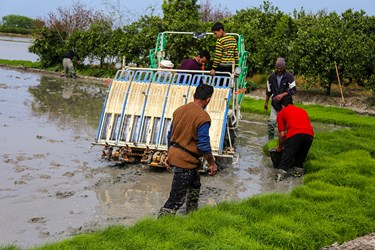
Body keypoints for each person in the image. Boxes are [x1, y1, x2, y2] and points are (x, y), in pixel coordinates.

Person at [158, 84, 217, 217]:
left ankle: (192, 216)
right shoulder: (203, 117)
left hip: (176, 154)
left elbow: (170, 135)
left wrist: (169, 154)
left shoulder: (179, 110)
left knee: (195, 185)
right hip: (186, 160)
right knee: (175, 200)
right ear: (208, 100)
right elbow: (203, 145)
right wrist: (212, 163)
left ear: (193, 95)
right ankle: (160, 226)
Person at [274, 95, 314, 182]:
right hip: (309, 135)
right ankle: (297, 175)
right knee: (300, 159)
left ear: (282, 106)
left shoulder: (281, 113)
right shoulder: (302, 111)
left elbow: (282, 134)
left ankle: (280, 176)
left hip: (295, 134)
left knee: (287, 156)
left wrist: (280, 147)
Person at [264, 57, 296, 140]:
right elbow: (268, 91)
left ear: (284, 67)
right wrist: (266, 102)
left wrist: (282, 95)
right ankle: (270, 140)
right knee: (271, 123)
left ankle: (285, 140)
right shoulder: (271, 77)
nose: (279, 70)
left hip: (286, 104)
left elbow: (293, 90)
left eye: (281, 68)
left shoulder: (289, 76)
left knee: (285, 125)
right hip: (275, 104)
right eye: (277, 68)